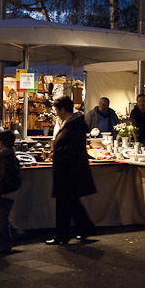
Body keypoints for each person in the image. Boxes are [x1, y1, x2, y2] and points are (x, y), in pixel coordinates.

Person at [46, 96, 97, 245]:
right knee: (72, 202)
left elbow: (72, 148)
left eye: (57, 110)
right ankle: (85, 228)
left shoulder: (73, 126)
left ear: (63, 109)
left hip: (68, 171)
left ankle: (62, 235)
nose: (56, 113)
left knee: (64, 203)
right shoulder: (73, 124)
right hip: (70, 170)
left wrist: (59, 153)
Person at [0, 130, 21, 255]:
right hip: (11, 191)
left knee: (2, 218)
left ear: (2, 142)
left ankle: (6, 244)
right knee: (2, 217)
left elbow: (2, 178)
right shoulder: (12, 157)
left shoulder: (2, 159)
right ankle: (13, 236)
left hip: (5, 192)